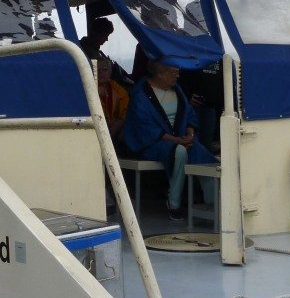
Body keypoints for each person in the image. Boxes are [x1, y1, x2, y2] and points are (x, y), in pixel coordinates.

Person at [122, 59, 217, 221]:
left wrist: (190, 134)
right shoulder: (141, 94)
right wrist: (176, 141)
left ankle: (213, 203)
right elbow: (145, 128)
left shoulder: (177, 89)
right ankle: (174, 203)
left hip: (180, 139)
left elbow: (189, 115)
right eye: (174, 72)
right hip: (151, 144)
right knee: (179, 151)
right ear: (160, 74)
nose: (178, 75)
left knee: (203, 155)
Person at [79, 18, 132, 87]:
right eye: (105, 35)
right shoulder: (82, 51)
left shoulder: (97, 52)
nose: (106, 39)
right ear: (95, 33)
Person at [96, 57, 129, 146]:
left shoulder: (118, 90)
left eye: (104, 70)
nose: (100, 73)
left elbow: (123, 115)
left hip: (113, 129)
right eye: (97, 69)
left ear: (110, 72)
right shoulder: (85, 88)